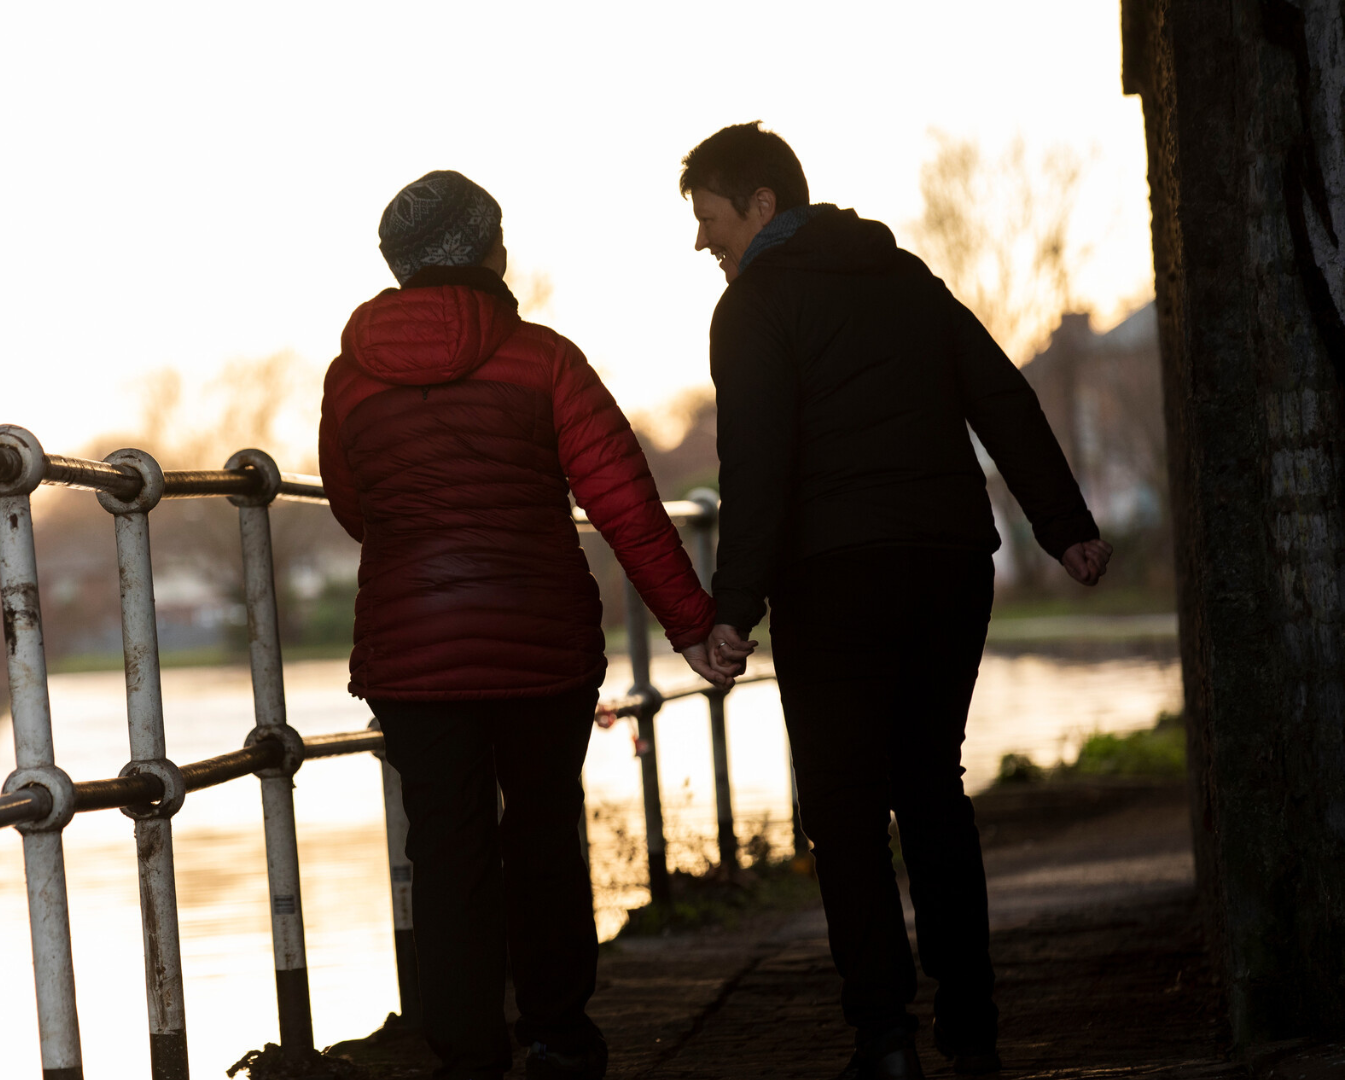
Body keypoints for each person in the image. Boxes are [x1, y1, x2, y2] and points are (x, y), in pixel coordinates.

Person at [681, 123, 1111, 1080]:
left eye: (711, 219)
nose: (701, 240)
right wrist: (1064, 525)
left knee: (844, 809)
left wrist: (732, 607)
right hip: (947, 564)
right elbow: (999, 394)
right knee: (930, 789)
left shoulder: (753, 306)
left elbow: (756, 467)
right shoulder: (904, 276)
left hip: (834, 578)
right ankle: (972, 1027)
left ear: (761, 204)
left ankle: (885, 1040)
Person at [319, 169, 736, 1080]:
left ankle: (468, 1054)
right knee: (543, 833)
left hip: (413, 653)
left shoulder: (349, 380)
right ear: (491, 253)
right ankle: (557, 1036)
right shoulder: (544, 359)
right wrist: (692, 623)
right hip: (540, 645)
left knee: (446, 850)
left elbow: (357, 509)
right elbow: (623, 502)